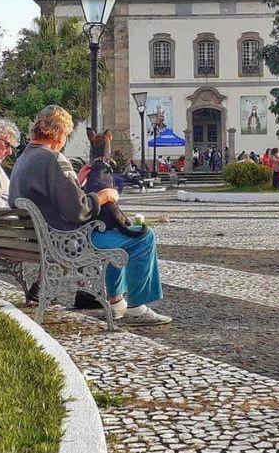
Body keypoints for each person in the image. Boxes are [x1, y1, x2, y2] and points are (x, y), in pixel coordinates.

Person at [9, 105, 171, 325]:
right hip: (67, 242)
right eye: (66, 134)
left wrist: (76, 181)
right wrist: (103, 196)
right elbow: (78, 211)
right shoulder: (53, 159)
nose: (65, 140)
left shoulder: (23, 159)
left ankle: (115, 302)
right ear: (56, 132)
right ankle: (136, 307)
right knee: (143, 237)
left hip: (40, 239)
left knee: (117, 235)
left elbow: (52, 198)